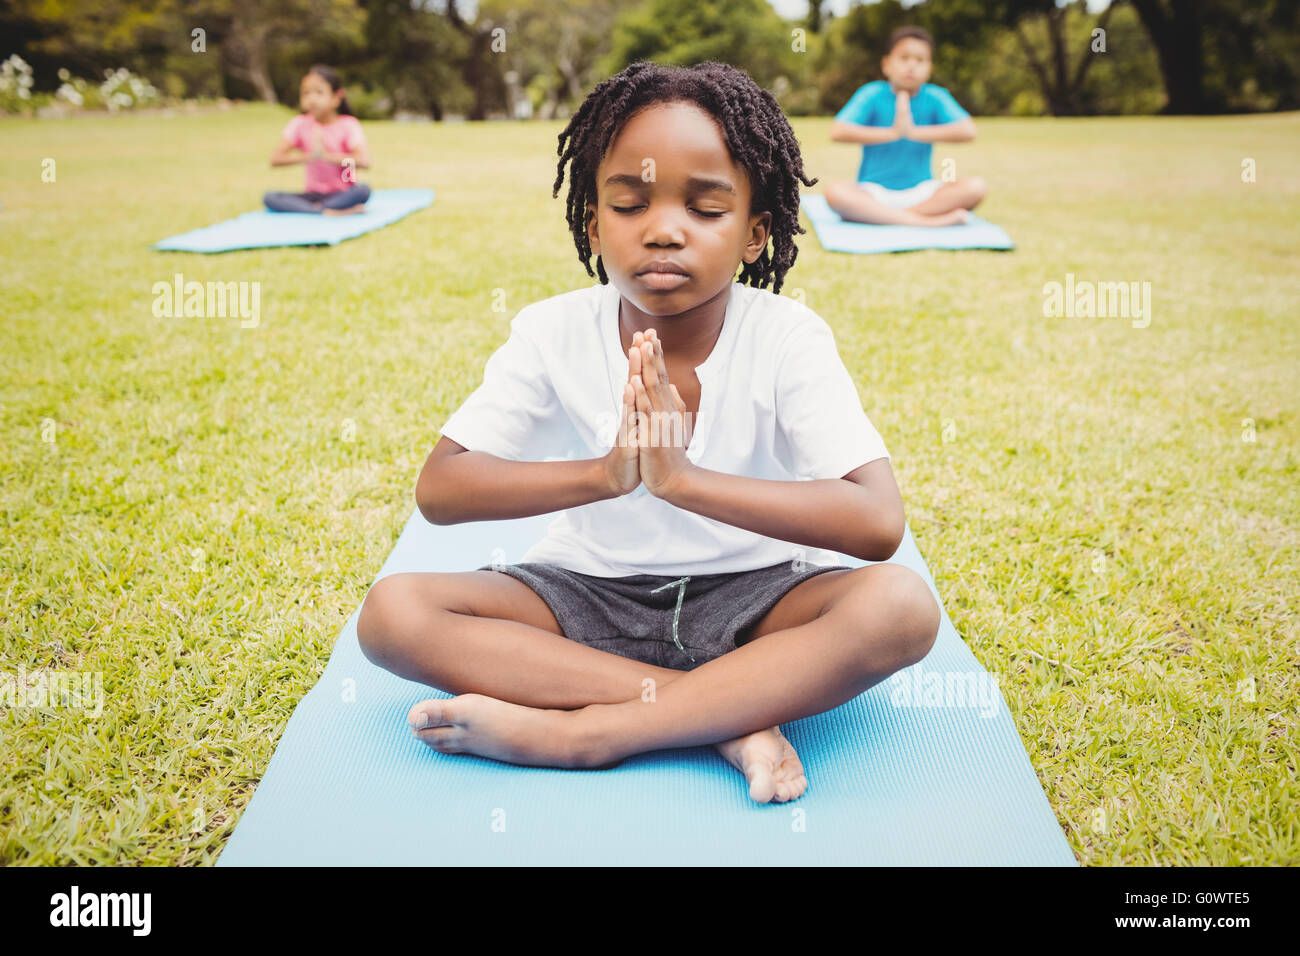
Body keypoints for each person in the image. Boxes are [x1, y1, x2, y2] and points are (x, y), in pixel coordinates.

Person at [356, 61, 940, 804]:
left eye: (705, 208)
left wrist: (685, 484)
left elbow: (876, 521)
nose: (664, 229)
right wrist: (606, 475)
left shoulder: (788, 336)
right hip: (584, 594)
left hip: (758, 600)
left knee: (900, 607)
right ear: (595, 224)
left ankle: (589, 735)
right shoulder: (550, 331)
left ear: (756, 232)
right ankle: (723, 716)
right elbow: (442, 489)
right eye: (631, 204)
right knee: (394, 615)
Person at [825, 26, 987, 227]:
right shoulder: (871, 93)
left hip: (924, 193)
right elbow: (838, 131)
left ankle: (888, 217)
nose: (911, 66)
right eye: (904, 58)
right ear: (886, 64)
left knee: (975, 187)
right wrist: (893, 133)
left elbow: (968, 131)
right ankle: (925, 222)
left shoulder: (936, 96)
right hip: (873, 192)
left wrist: (912, 132)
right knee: (835, 193)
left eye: (920, 60)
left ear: (929, 68)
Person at [263, 65, 372, 215]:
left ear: (336, 98)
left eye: (319, 93)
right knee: (270, 197)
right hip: (313, 196)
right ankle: (325, 210)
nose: (311, 99)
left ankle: (322, 209)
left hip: (343, 193)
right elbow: (275, 159)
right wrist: (309, 156)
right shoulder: (299, 124)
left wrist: (327, 156)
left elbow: (364, 161)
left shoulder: (348, 124)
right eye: (306, 93)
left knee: (363, 190)